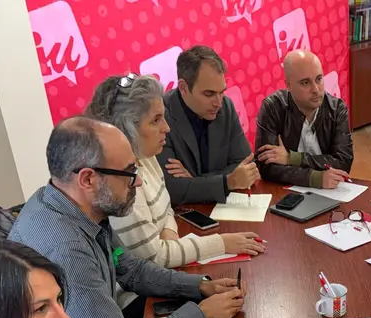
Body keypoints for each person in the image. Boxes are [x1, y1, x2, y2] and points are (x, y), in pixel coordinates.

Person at [10, 116, 245, 318]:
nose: (139, 182)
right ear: (88, 179)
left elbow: (126, 267)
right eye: (129, 173)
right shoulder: (67, 248)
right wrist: (202, 316)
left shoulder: (71, 205)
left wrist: (199, 285)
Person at [86, 73, 266, 267]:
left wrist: (169, 237)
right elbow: (154, 260)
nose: (166, 128)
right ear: (126, 129)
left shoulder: (147, 156)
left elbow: (167, 208)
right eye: (155, 120)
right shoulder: (119, 184)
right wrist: (222, 243)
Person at [157, 45, 260, 204]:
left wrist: (195, 180)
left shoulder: (226, 106)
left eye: (222, 92)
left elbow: (247, 167)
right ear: (183, 87)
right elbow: (170, 189)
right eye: (209, 94)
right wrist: (227, 182)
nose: (218, 102)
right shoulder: (160, 117)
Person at [255, 50, 354, 190]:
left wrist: (292, 158)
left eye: (319, 79)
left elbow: (343, 162)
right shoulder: (273, 108)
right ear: (288, 86)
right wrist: (315, 178)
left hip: (330, 190)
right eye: (305, 83)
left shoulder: (336, 108)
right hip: (286, 191)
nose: (316, 89)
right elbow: (265, 167)